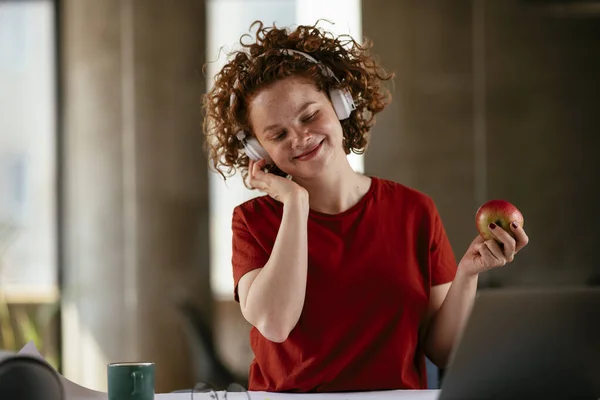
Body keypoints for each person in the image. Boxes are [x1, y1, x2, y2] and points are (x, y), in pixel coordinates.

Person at [202, 21, 529, 393]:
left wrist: (468, 274)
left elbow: (446, 352)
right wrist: (295, 203)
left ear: (340, 103)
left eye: (309, 115)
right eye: (277, 135)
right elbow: (275, 323)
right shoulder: (252, 222)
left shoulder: (414, 211)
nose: (301, 137)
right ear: (259, 152)